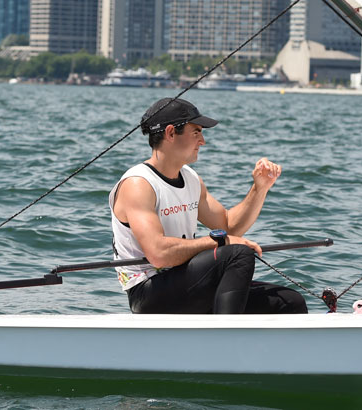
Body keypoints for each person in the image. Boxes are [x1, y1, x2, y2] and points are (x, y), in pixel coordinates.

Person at [108, 97, 307, 315]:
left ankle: (232, 338)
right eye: (196, 132)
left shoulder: (191, 179)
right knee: (237, 254)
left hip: (185, 281)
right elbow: (158, 254)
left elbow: (230, 226)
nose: (202, 141)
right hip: (148, 292)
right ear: (171, 133)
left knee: (290, 302)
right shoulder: (138, 184)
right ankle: (222, 339)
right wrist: (220, 242)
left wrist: (260, 188)